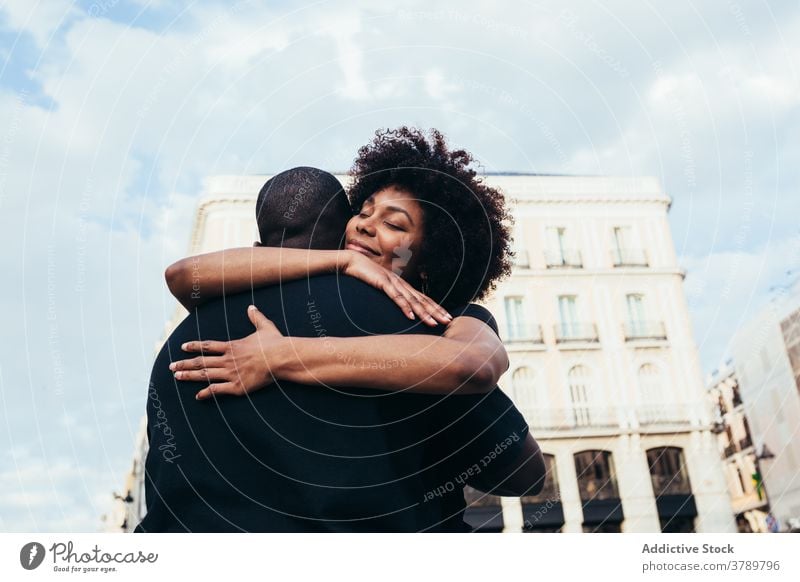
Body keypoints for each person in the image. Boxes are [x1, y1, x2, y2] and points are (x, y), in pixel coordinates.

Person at [141, 130, 545, 531]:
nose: (367, 226)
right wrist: (343, 263)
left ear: (432, 259)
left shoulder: (446, 324)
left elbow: (471, 364)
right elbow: (520, 471)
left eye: (394, 224)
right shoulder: (405, 330)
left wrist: (282, 356)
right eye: (364, 211)